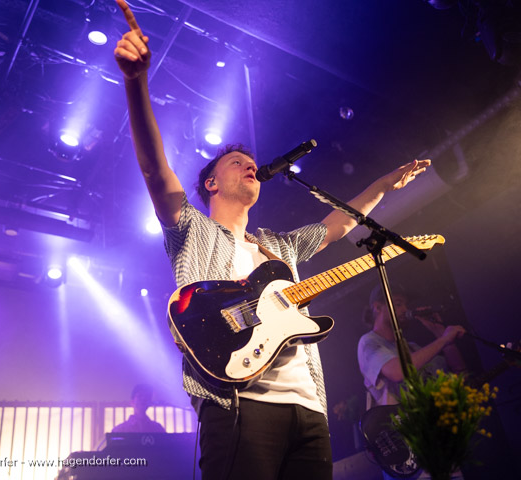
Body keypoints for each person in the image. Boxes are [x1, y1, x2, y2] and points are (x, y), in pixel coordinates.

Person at [113, 1, 431, 478]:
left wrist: (385, 184)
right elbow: (155, 171)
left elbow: (339, 224)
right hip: (238, 404)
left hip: (308, 406)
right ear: (211, 184)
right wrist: (136, 82)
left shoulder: (277, 247)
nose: (250, 165)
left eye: (251, 162)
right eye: (236, 162)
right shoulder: (192, 229)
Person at [358, 285, 466, 407]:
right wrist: (444, 339)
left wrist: (440, 334)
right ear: (378, 307)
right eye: (398, 304)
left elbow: (459, 375)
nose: (405, 309)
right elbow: (398, 372)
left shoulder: (413, 349)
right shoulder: (368, 343)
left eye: (406, 305)